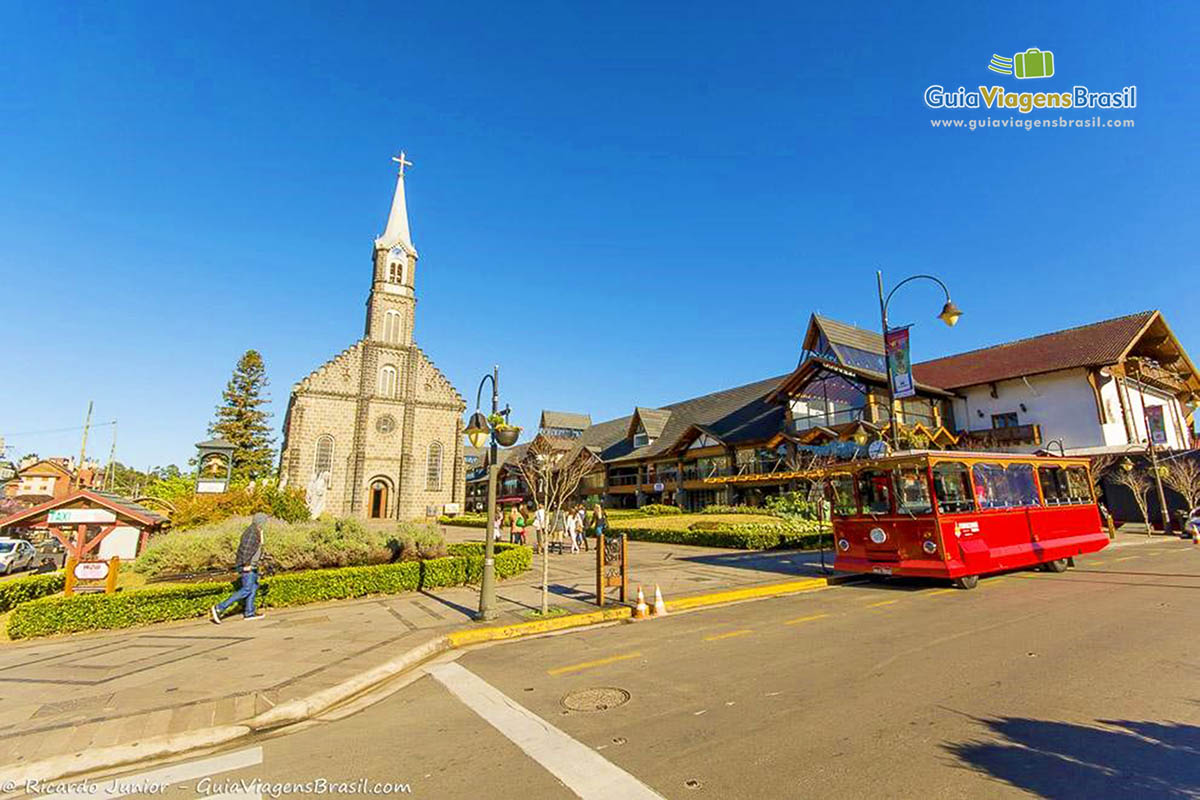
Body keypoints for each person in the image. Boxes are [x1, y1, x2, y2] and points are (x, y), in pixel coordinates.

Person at [210, 513, 268, 623]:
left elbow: (259, 547)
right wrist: (246, 565)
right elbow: (245, 550)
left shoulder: (257, 531)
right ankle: (219, 607)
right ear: (260, 521)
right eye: (265, 521)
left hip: (253, 565)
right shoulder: (251, 532)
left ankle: (249, 612)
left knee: (254, 587)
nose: (266, 523)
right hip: (249, 566)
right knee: (246, 589)